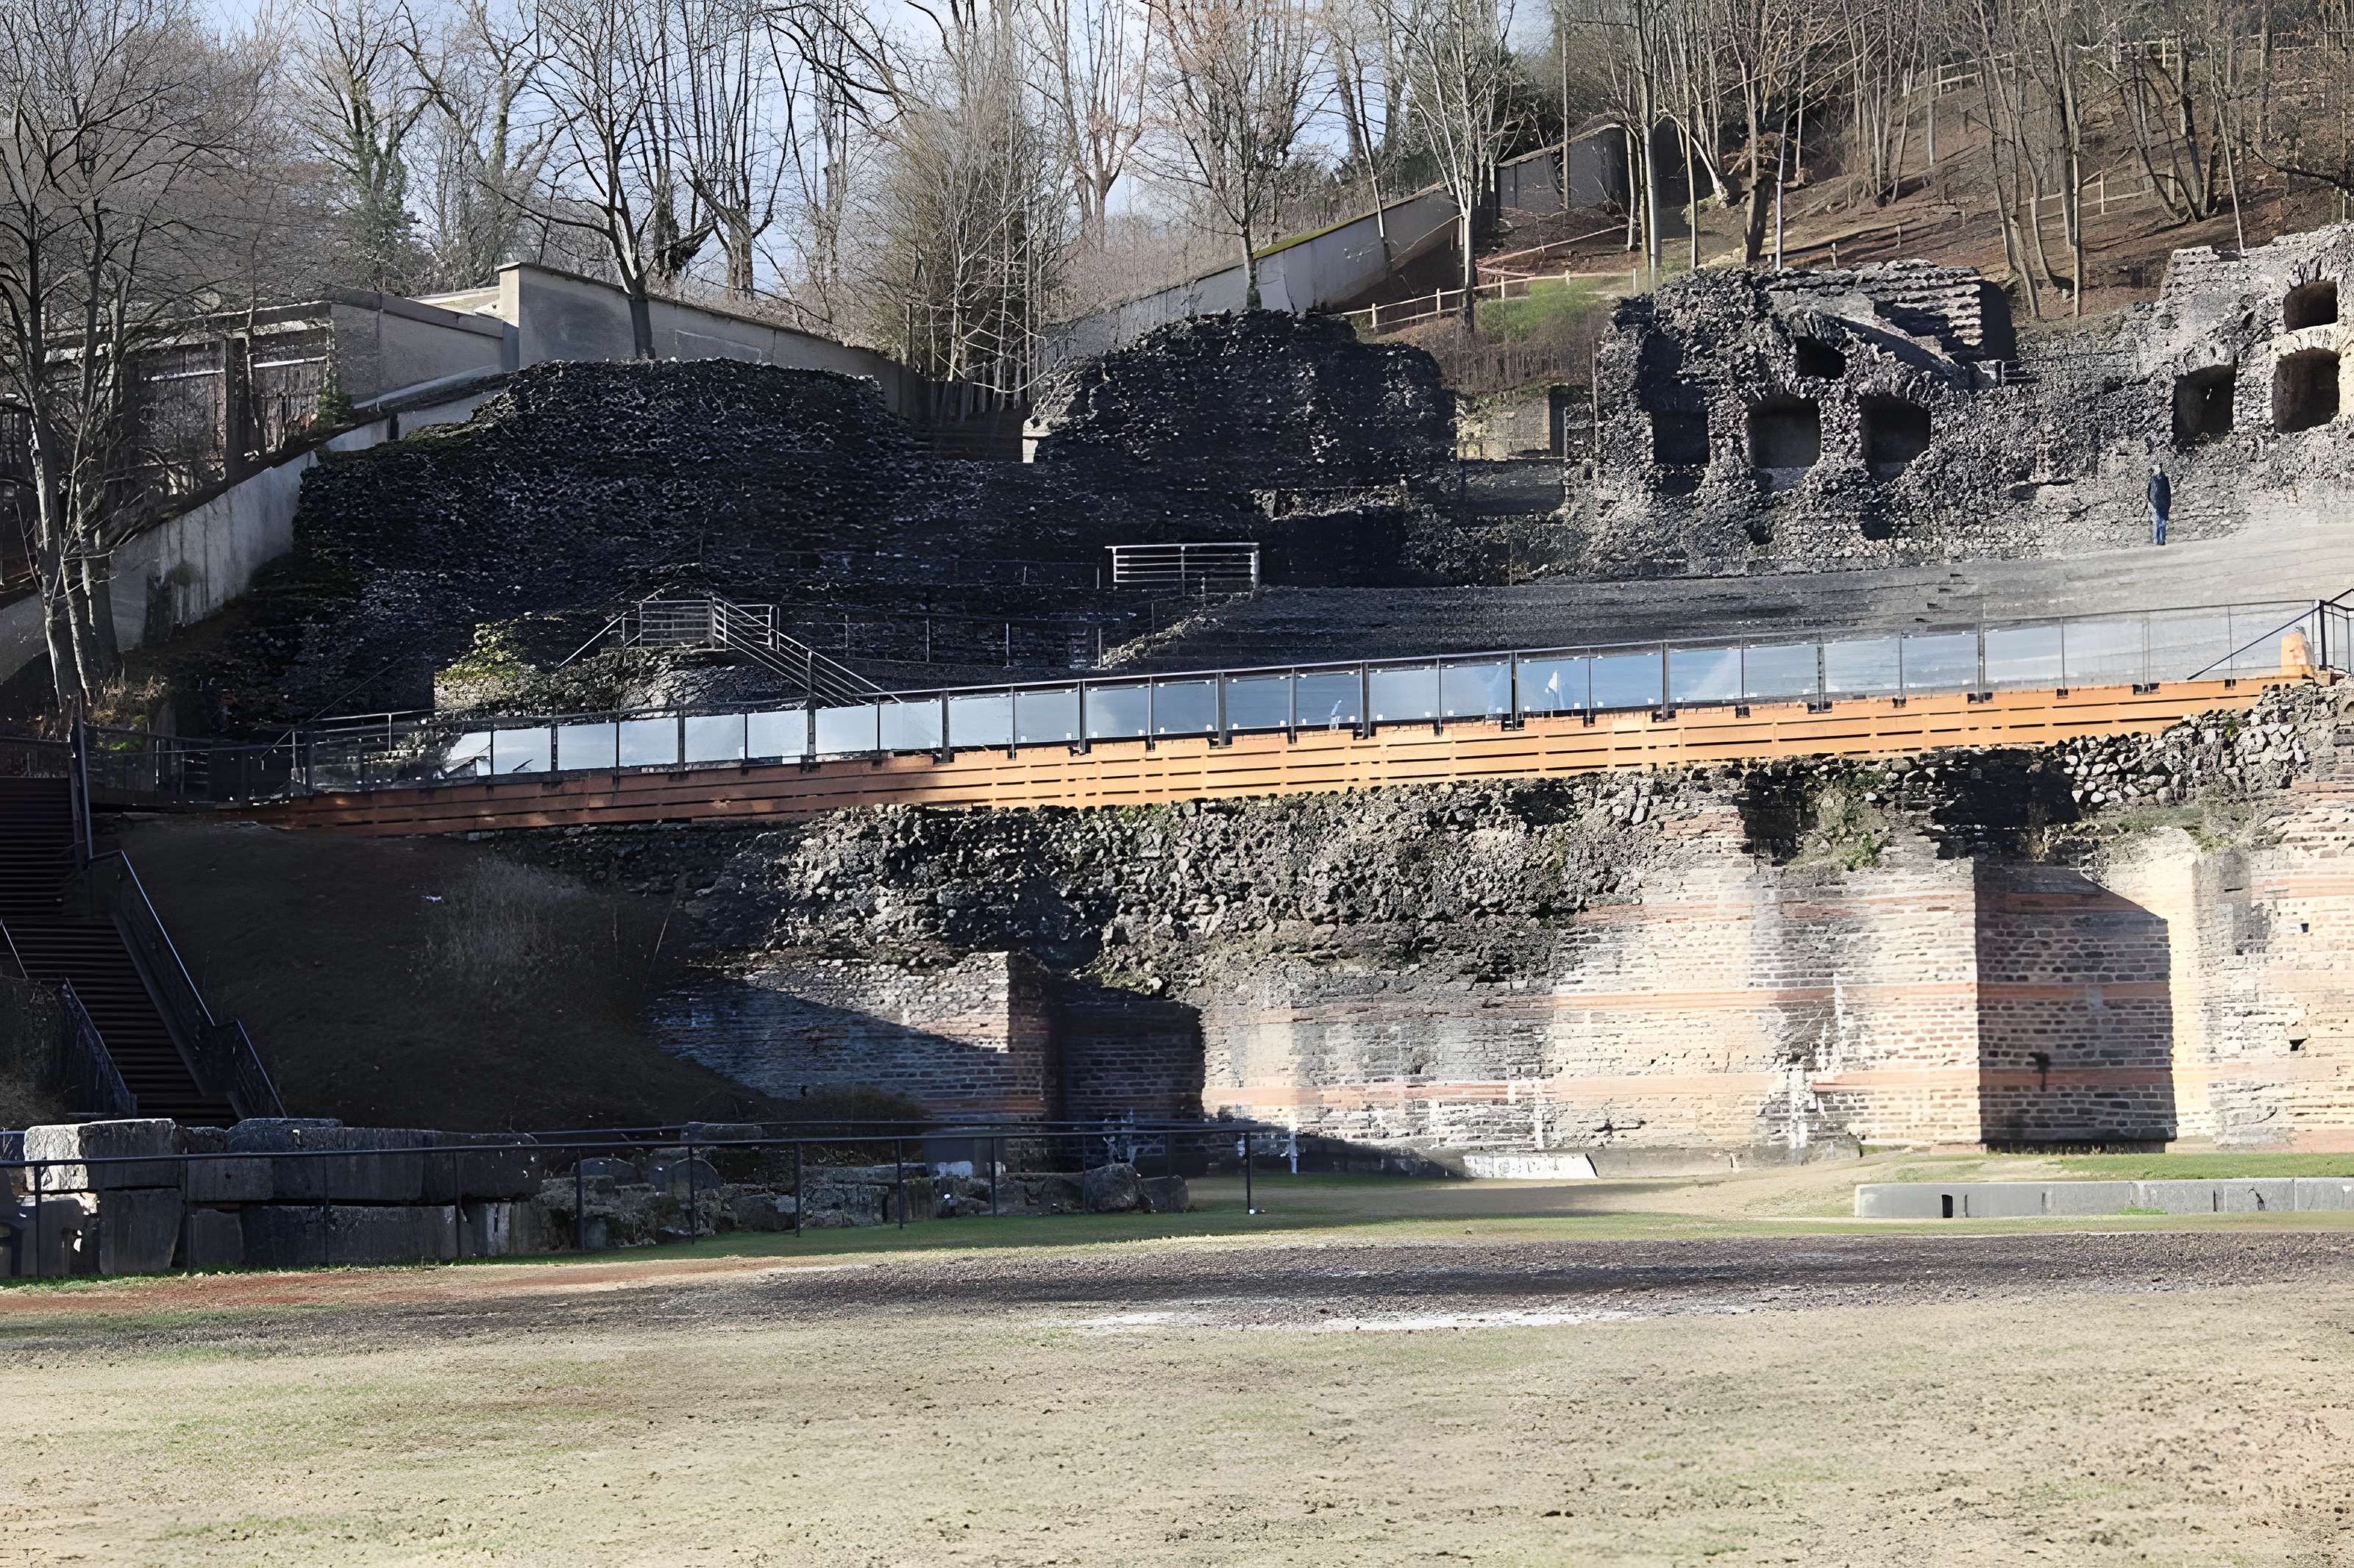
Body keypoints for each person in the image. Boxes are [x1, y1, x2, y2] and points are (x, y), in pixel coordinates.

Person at [2147, 463, 2172, 546]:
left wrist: (2168, 503)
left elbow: (2168, 493)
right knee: (2156, 522)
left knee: (2162, 522)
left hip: (2163, 504)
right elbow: (2150, 493)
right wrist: (2150, 503)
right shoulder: (2152, 480)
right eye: (2155, 468)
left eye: (2158, 468)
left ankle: (2161, 540)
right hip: (2155, 504)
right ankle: (2156, 540)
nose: (2157, 469)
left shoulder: (2165, 479)